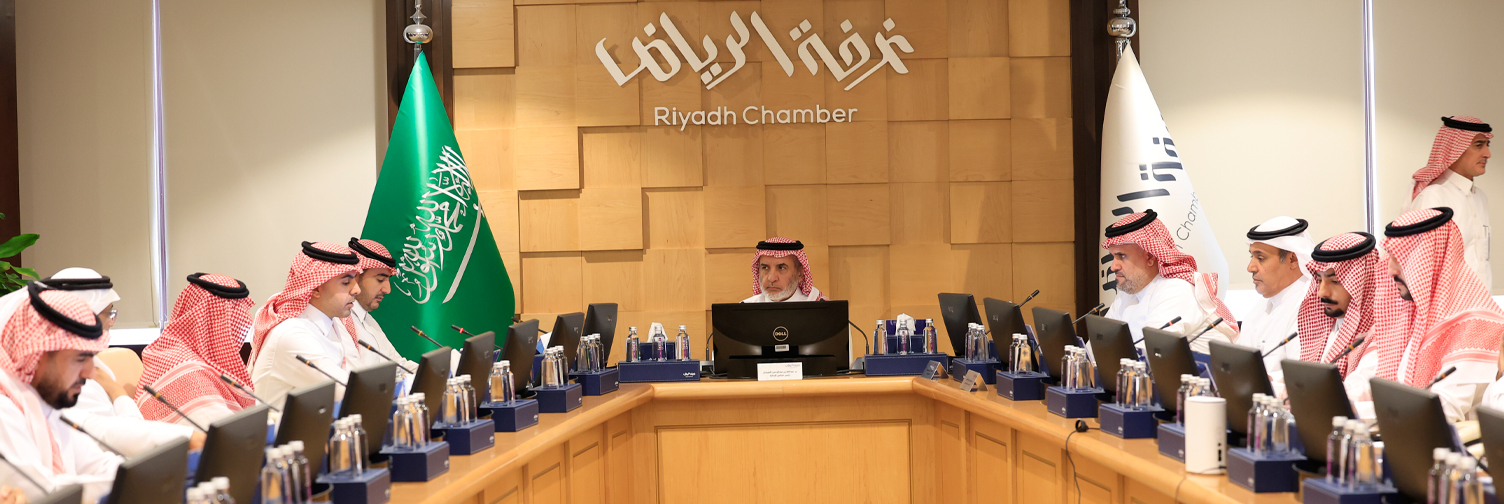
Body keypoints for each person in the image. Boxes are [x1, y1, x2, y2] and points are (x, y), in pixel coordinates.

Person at [1351, 208, 1502, 422]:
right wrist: (1337, 401)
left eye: (1400, 257)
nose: (1390, 270)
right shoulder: (1406, 311)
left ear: (1428, 259)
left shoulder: (1478, 323)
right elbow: (1369, 378)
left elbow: (1442, 410)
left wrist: (1354, 412)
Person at [36, 269, 200, 457]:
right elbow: (124, 437)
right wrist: (116, 391)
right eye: (108, 313)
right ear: (87, 317)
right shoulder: (69, 381)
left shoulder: (89, 367)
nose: (112, 322)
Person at [0, 284, 119, 502]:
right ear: (38, 355)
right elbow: (44, 492)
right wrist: (134, 479)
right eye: (80, 359)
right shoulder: (5, 408)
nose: (91, 373)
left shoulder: (44, 403)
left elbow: (97, 464)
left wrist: (151, 472)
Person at [1101, 210, 1239, 352]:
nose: (1113, 267)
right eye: (1113, 257)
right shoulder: (1128, 291)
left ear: (1150, 257)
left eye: (1122, 256)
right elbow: (1100, 344)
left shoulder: (1176, 289)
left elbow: (1152, 351)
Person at [137, 273, 259, 428]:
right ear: (217, 324)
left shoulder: (167, 352)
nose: (237, 335)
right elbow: (225, 431)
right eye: (234, 326)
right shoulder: (189, 373)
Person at [250, 242, 362, 407]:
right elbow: (348, 391)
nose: (357, 290)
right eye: (346, 283)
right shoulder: (292, 334)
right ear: (315, 288)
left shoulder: (327, 322)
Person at [1407, 116, 1493, 292]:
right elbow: (1420, 267)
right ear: (1455, 149)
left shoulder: (1480, 198)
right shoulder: (1433, 198)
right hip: (1449, 307)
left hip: (1483, 303)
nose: (1487, 154)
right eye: (1478, 145)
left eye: (1487, 145)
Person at [1295, 232, 1385, 383]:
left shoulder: (1379, 334)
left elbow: (1360, 387)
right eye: (1319, 280)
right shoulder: (1327, 327)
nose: (1321, 292)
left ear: (1362, 283)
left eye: (1335, 281)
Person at [1239, 217, 1314, 392]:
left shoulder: (1310, 307)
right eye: (1252, 257)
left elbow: (1302, 380)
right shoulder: (1261, 306)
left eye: (1261, 258)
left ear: (1292, 259)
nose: (1251, 267)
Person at [335, 238, 415, 371]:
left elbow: (398, 365)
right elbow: (356, 377)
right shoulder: (338, 321)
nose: (387, 290)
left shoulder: (368, 320)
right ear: (356, 277)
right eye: (380, 280)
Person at [743, 238, 829, 303]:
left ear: (800, 274)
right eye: (765, 268)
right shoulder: (744, 311)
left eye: (781, 268)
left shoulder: (820, 308)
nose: (772, 278)